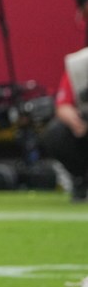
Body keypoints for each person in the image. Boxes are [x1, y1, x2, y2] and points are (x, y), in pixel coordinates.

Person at [40, 49, 88, 203]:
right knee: (56, 134)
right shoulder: (80, 64)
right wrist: (75, 120)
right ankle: (82, 179)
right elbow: (63, 105)